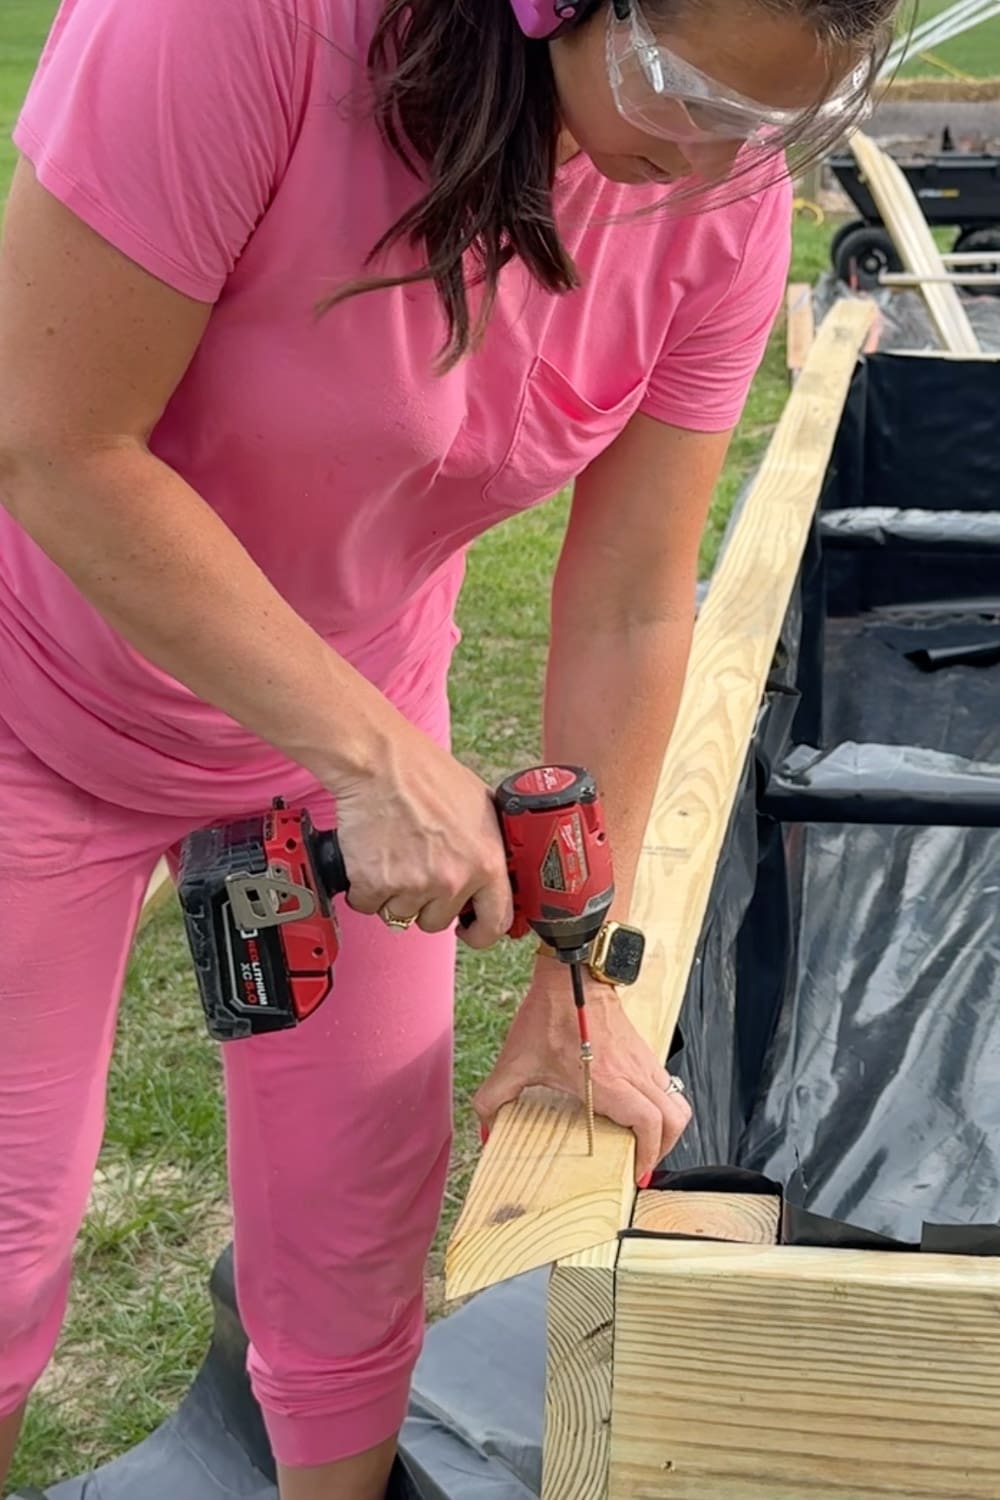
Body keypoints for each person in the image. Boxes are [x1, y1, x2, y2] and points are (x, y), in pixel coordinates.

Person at [0, 0, 895, 1490]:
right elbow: (51, 437)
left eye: (773, 124)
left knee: (353, 1241)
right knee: (8, 1226)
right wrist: (375, 758)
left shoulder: (720, 197)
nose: (713, 162)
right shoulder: (232, 30)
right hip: (35, 698)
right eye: (688, 94)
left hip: (343, 716)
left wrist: (573, 969)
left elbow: (626, 605)